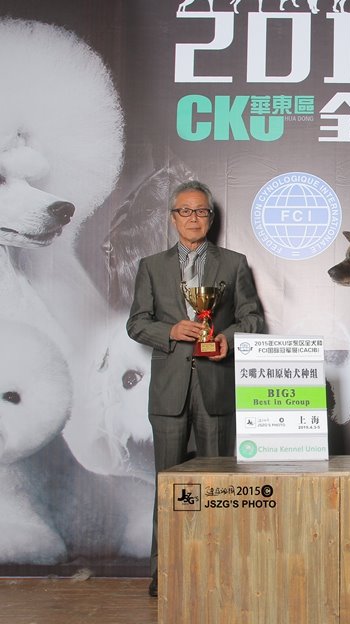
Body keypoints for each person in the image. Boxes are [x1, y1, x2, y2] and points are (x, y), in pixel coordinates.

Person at [126, 180, 266, 597]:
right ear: (173, 218)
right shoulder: (151, 266)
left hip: (215, 388)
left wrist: (227, 339)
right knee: (166, 485)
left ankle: (218, 566)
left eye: (201, 211)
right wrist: (170, 331)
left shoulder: (234, 263)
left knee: (217, 486)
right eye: (185, 211)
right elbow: (136, 323)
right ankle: (164, 569)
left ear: (211, 217)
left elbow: (253, 319)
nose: (193, 218)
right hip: (169, 392)